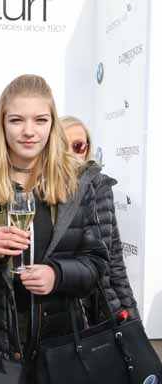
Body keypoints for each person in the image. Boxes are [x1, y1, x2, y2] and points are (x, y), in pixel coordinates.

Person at [0, 74, 108, 383]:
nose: (29, 131)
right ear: (2, 124)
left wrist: (57, 275)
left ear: (52, 124)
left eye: (40, 120)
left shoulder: (77, 183)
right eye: (17, 120)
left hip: (61, 345)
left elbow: (96, 264)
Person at [61, 115, 139, 322]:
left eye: (77, 146)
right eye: (61, 146)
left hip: (104, 307)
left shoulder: (101, 187)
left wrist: (132, 316)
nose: (70, 153)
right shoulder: (42, 190)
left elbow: (114, 258)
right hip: (64, 312)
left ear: (86, 148)